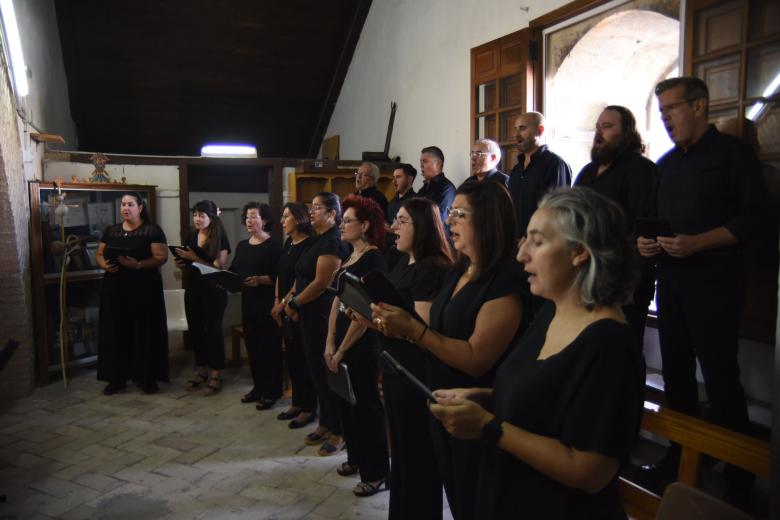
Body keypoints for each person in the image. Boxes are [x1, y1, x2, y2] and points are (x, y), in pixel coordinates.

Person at [430, 187, 644, 519]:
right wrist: (485, 396)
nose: (521, 255)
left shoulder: (609, 344)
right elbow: (548, 401)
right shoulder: (550, 311)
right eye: (524, 240)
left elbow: (589, 471)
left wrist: (490, 427)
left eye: (538, 242)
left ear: (579, 253)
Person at [637, 77, 765, 501]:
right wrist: (646, 242)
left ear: (699, 106)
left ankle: (740, 475)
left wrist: (698, 242)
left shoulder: (734, 155)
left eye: (672, 109)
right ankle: (679, 455)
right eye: (662, 113)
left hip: (715, 284)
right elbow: (655, 217)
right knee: (675, 374)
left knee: (720, 376)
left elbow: (753, 219)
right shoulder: (668, 164)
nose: (667, 119)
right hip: (671, 283)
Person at [372, 180, 526, 520]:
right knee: (455, 497)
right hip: (441, 402)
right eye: (450, 212)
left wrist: (413, 329)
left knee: (476, 504)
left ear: (487, 220)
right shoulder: (461, 270)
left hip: (475, 409)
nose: (450, 220)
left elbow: (475, 359)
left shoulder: (503, 281)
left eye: (459, 214)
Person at [367, 197, 452, 519]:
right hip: (395, 366)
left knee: (417, 458)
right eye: (395, 220)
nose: (393, 228)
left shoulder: (432, 267)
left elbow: (423, 331)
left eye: (402, 221)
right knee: (401, 455)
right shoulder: (404, 262)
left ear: (424, 227)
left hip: (416, 372)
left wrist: (379, 320)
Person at [574, 105, 657, 347]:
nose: (599, 133)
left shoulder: (641, 169)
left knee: (623, 347)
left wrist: (628, 282)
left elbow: (642, 229)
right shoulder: (588, 172)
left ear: (627, 133)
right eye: (598, 127)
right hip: (586, 272)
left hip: (623, 278)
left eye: (607, 127)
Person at [325, 195, 390, 497]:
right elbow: (336, 301)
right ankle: (356, 458)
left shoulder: (374, 258)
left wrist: (341, 351)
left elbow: (365, 311)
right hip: (340, 341)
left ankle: (376, 473)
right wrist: (329, 343)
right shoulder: (348, 256)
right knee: (346, 402)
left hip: (363, 345)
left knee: (366, 408)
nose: (342, 225)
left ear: (364, 225)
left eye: (347, 220)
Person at [285, 192, 348, 454]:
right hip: (307, 314)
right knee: (315, 372)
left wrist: (296, 303)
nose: (311, 212)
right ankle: (326, 421)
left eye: (318, 207)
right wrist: (291, 300)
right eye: (311, 207)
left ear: (333, 214)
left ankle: (340, 431)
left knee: (328, 373)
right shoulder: (316, 239)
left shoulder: (333, 242)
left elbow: (322, 283)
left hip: (322, 315)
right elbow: (301, 275)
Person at [96, 192, 169, 395]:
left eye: (130, 204)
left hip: (144, 288)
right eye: (123, 205)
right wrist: (105, 266)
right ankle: (116, 378)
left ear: (140, 207)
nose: (125, 208)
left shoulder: (152, 231)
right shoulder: (112, 231)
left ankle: (147, 378)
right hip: (115, 288)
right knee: (115, 333)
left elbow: (161, 257)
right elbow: (100, 254)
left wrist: (137, 264)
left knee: (144, 332)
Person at [174, 200, 231, 396]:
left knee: (213, 331)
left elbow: (219, 267)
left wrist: (194, 258)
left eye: (202, 216)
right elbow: (188, 263)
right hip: (194, 289)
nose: (197, 219)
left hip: (214, 291)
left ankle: (216, 373)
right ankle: (201, 370)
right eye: (195, 215)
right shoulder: (191, 235)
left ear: (211, 217)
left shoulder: (220, 237)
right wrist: (181, 262)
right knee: (196, 330)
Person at [229, 202, 282, 409]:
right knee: (252, 347)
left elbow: (280, 277)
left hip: (268, 304)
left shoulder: (274, 246)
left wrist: (260, 280)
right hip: (248, 303)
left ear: (265, 220)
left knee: (269, 348)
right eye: (247, 217)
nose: (249, 221)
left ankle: (272, 391)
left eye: (254, 217)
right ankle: (258, 387)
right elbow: (235, 270)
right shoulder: (242, 245)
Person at [271, 202, 317, 428]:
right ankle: (298, 401)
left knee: (303, 359)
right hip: (285, 307)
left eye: (285, 216)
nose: (281, 221)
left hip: (301, 308)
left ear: (298, 219)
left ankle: (309, 407)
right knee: (292, 358)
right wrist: (277, 300)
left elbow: (301, 279)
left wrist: (287, 302)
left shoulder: (310, 244)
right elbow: (281, 273)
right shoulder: (289, 242)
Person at [508, 111, 572, 239]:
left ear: (540, 130)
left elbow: (556, 211)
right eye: (515, 129)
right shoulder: (516, 169)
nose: (516, 134)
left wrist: (531, 238)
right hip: (514, 243)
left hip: (541, 243)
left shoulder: (555, 164)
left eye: (522, 128)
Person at [417, 145, 456, 229]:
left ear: (438, 163)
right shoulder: (423, 189)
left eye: (425, 161)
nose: (421, 166)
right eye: (421, 162)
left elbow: (439, 220)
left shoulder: (447, 189)